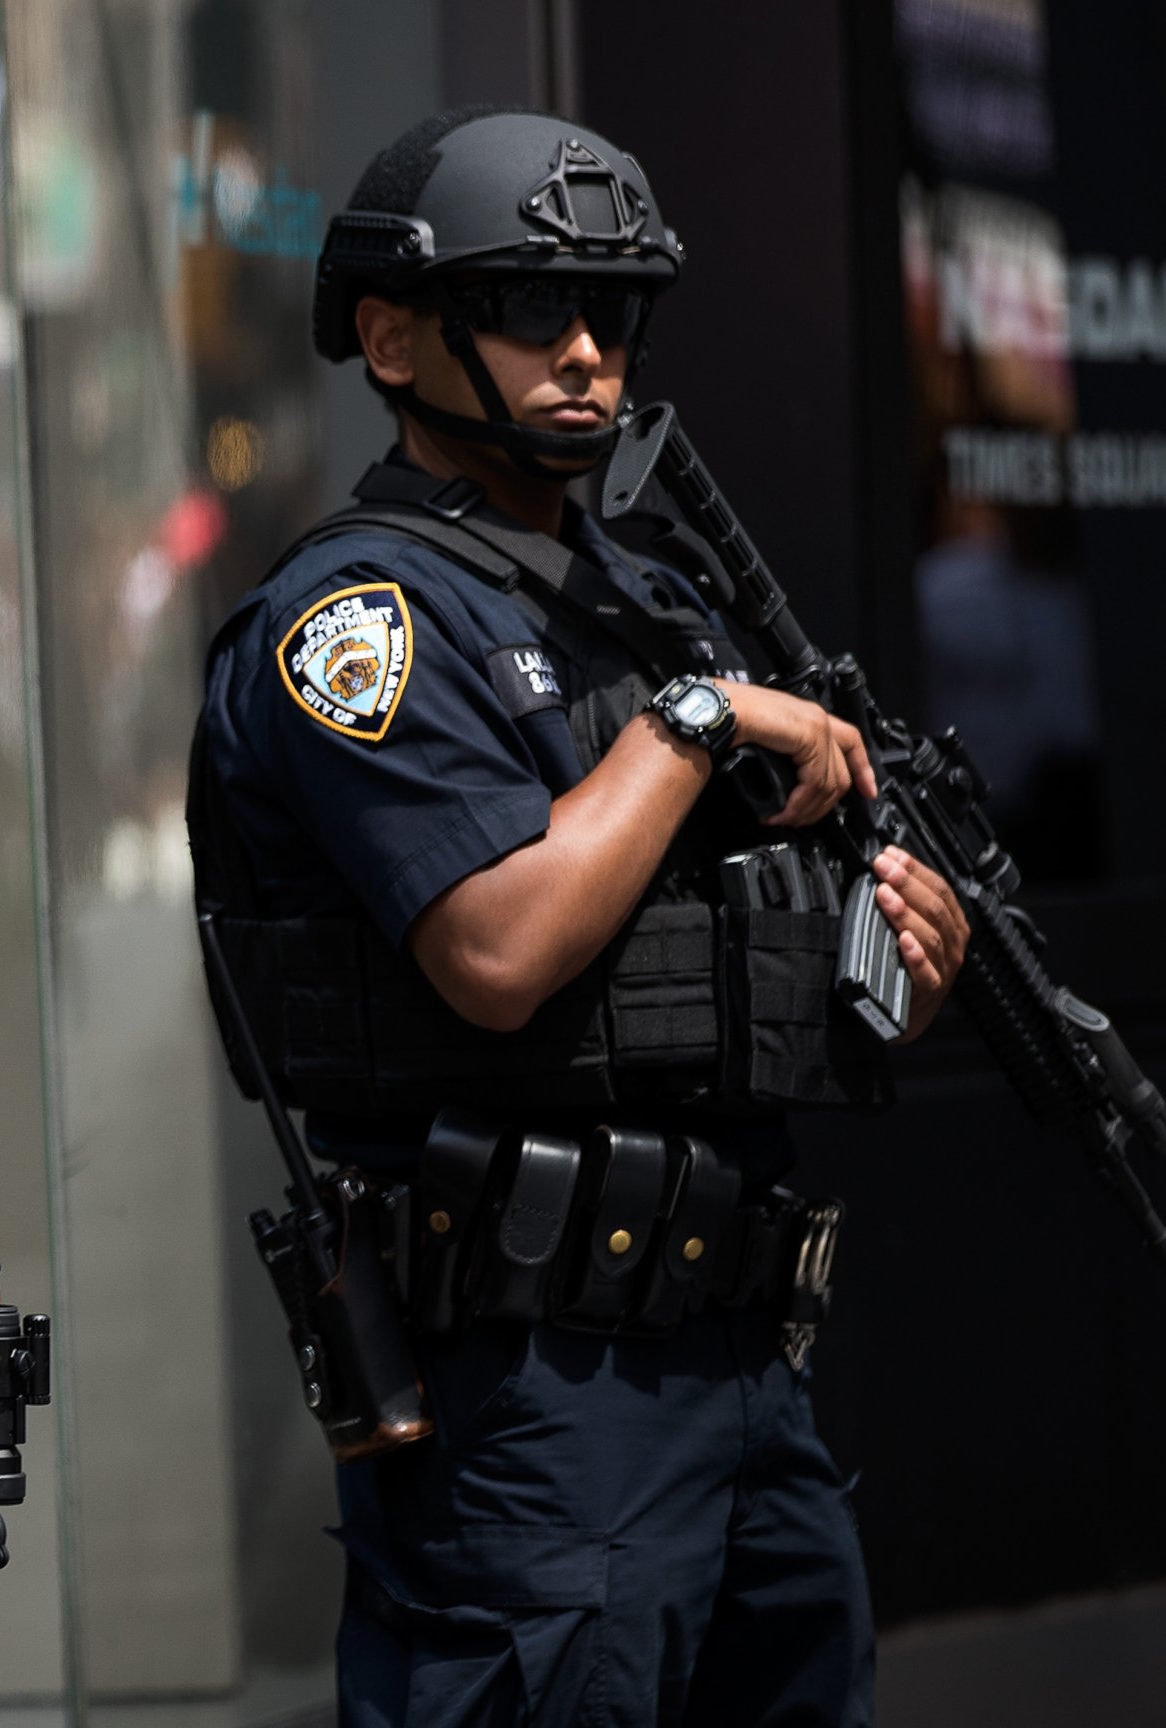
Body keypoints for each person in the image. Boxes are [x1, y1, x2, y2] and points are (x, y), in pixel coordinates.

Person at [187, 109, 971, 1728]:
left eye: (614, 309)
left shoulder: (655, 599)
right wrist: (690, 723)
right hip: (534, 1392)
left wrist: (899, 952)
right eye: (533, 306)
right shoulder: (362, 623)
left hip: (743, 1354)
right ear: (394, 340)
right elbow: (498, 952)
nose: (588, 350)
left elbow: (748, 969)